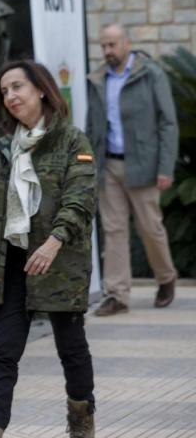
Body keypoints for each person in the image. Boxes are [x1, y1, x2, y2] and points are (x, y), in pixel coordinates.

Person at [0, 62, 97, 438]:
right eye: (4, 91)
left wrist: (54, 241)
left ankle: (81, 422)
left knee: (71, 348)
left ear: (41, 89)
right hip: (11, 258)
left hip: (59, 260)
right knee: (3, 349)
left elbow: (81, 199)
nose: (11, 97)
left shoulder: (72, 140)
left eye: (17, 87)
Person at [86, 23, 178, 316]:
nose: (108, 51)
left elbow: (168, 122)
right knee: (113, 230)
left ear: (127, 43)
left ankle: (166, 277)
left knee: (150, 228)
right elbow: (93, 127)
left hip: (144, 164)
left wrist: (165, 167)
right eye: (103, 46)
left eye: (112, 44)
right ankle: (118, 295)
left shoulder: (151, 74)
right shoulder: (98, 79)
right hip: (109, 164)